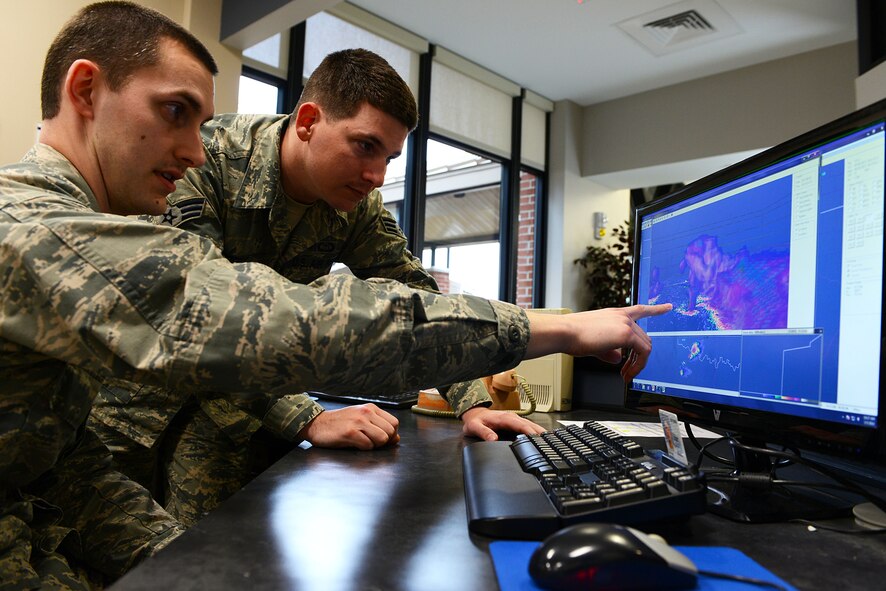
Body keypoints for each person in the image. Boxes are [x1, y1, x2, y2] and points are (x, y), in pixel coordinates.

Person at [0, 2, 669, 587]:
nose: (193, 151)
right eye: (174, 112)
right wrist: (551, 328)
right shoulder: (35, 227)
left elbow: (52, 450)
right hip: (143, 419)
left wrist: (471, 398)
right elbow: (241, 321)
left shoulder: (71, 215)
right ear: (86, 90)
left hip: (67, 484)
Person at [87, 48, 553, 527]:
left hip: (245, 410)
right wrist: (307, 417)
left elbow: (418, 299)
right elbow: (200, 322)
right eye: (365, 146)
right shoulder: (205, 161)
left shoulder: (355, 205)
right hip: (134, 410)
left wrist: (472, 404)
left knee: (227, 556)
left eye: (390, 157)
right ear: (308, 121)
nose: (377, 177)